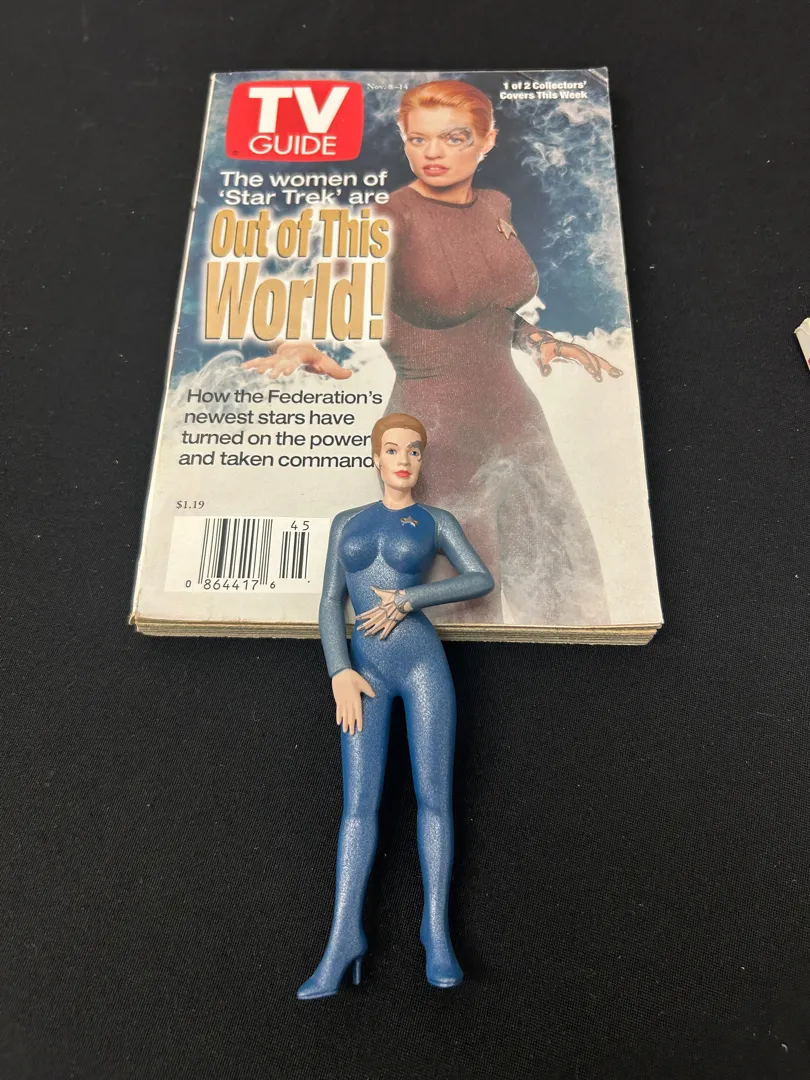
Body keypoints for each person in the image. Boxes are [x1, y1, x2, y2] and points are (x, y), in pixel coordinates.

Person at [244, 79, 621, 626]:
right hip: (436, 439)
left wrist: (541, 340)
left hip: (518, 421)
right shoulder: (388, 218)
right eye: (417, 139)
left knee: (572, 601)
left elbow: (490, 308)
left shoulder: (495, 205)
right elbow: (317, 299)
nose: (433, 153)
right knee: (463, 615)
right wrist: (298, 343)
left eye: (453, 137)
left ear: (487, 140)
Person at [297, 413, 494, 998]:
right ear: (375, 457)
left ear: (422, 460)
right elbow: (330, 601)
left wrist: (410, 597)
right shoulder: (348, 522)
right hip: (364, 672)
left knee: (435, 796)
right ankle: (343, 938)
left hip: (422, 663)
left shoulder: (436, 520)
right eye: (392, 449)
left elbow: (478, 578)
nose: (403, 459)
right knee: (358, 806)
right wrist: (339, 670)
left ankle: (436, 933)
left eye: (414, 450)